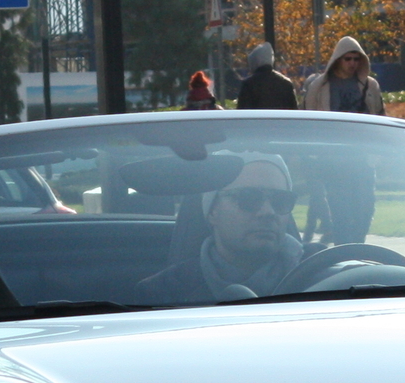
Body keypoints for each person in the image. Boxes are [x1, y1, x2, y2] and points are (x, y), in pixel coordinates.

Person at [132, 156, 309, 305]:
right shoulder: (161, 294)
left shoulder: (327, 270)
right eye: (248, 198)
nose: (268, 212)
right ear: (212, 211)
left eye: (281, 200)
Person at [301, 35, 382, 242]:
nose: (353, 64)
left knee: (365, 208)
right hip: (332, 160)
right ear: (338, 59)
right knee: (341, 212)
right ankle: (344, 249)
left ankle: (358, 246)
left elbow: (380, 116)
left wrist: (378, 150)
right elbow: (308, 119)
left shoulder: (369, 86)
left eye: (356, 59)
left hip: (363, 158)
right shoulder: (320, 87)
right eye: (348, 59)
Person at [233, 43, 298, 112]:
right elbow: (294, 111)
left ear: (254, 62)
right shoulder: (286, 84)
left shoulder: (249, 84)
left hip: (257, 122)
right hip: (281, 122)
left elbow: (243, 113)